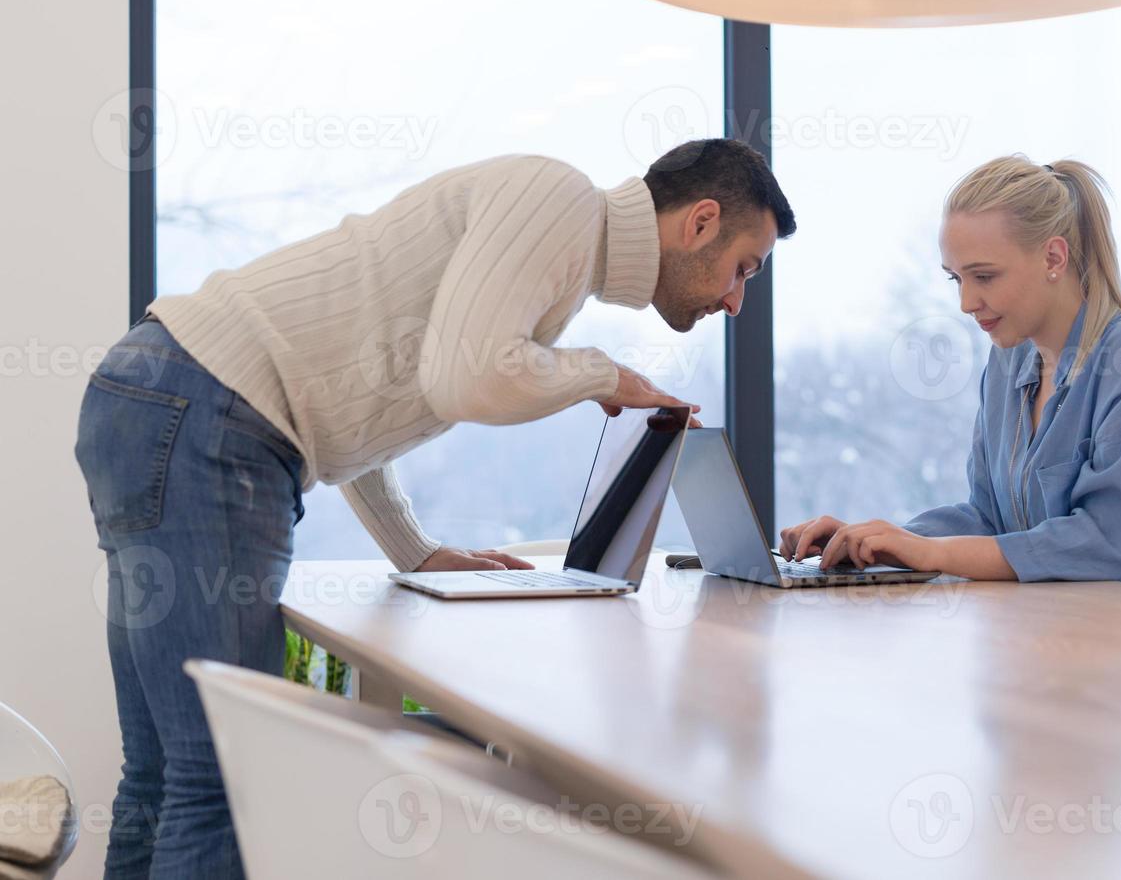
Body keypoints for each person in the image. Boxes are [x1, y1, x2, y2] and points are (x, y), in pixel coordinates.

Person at [73, 138, 796, 879]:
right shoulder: (563, 204)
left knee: (162, 773)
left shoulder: (562, 247)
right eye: (745, 268)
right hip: (208, 413)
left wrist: (412, 549)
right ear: (700, 221)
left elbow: (367, 399)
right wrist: (603, 375)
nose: (737, 300)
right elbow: (466, 380)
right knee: (215, 773)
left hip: (158, 396)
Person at [779, 155, 1121, 594]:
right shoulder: (1009, 359)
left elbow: (1109, 543)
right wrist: (879, 542)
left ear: (1054, 257)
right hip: (1061, 632)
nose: (966, 302)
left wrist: (930, 553)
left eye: (985, 277)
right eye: (956, 279)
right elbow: (990, 519)